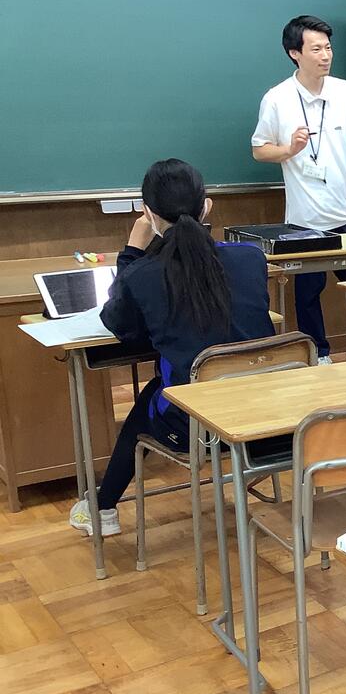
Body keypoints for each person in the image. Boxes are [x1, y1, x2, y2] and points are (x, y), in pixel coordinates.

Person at [67, 160, 275, 536]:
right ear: (207, 206)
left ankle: (103, 509)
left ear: (147, 212)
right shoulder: (250, 257)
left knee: (149, 400)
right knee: (163, 388)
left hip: (197, 426)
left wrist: (132, 249)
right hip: (267, 414)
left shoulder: (143, 274)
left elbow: (119, 324)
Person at [251, 15, 346, 363]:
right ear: (295, 53)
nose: (325, 55)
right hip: (303, 221)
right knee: (307, 295)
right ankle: (319, 352)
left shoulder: (344, 91)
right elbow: (259, 150)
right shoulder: (277, 98)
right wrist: (289, 150)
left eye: (328, 48)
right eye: (316, 49)